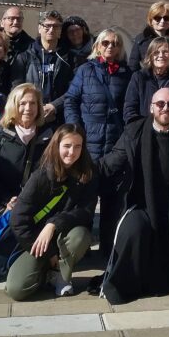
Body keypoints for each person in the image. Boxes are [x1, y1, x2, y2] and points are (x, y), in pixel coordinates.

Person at [98, 87, 169, 303]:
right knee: (134, 229)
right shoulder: (135, 132)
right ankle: (125, 284)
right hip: (141, 205)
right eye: (161, 104)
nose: (166, 108)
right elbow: (110, 164)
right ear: (151, 107)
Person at [7, 123, 97, 300]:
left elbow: (86, 212)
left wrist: (53, 224)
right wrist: (49, 254)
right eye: (67, 146)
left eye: (77, 146)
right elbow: (18, 220)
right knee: (16, 290)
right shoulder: (40, 176)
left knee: (81, 235)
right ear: (57, 146)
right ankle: (46, 271)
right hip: (36, 240)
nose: (72, 152)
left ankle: (62, 274)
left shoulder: (88, 172)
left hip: (66, 236)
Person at [65, 28, 133, 255]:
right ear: (97, 46)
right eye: (105, 43)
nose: (110, 47)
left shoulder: (127, 74)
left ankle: (107, 250)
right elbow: (71, 101)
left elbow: (130, 109)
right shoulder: (85, 71)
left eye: (115, 43)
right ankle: (79, 250)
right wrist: (76, 133)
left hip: (114, 146)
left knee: (111, 203)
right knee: (83, 201)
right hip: (88, 146)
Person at [0, 83, 53, 249]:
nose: (28, 108)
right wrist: (6, 199)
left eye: (33, 103)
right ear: (14, 106)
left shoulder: (48, 136)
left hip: (32, 204)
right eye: (22, 103)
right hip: (0, 202)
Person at [11, 10, 77, 124]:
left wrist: (54, 106)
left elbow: (74, 88)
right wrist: (35, 108)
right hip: (29, 117)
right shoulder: (25, 56)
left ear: (60, 30)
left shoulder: (70, 58)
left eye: (56, 26)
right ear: (39, 28)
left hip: (59, 117)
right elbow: (16, 87)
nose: (51, 30)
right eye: (47, 26)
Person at [124, 38, 169, 124]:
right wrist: (140, 130)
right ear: (150, 55)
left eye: (165, 52)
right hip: (143, 130)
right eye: (156, 52)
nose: (161, 55)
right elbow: (130, 109)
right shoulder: (139, 77)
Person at [128, 0, 169, 68]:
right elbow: (133, 65)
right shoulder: (141, 39)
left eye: (166, 18)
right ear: (151, 20)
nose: (162, 21)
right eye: (157, 18)